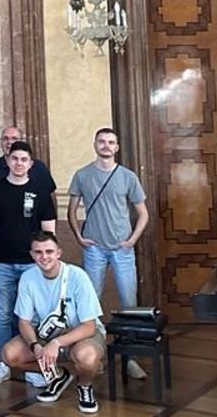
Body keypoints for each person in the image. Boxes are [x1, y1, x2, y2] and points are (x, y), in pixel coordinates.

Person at [67, 127, 149, 380]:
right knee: (90, 304)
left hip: (122, 250)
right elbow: (71, 210)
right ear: (95, 144)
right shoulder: (82, 175)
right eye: (101, 141)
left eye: (110, 142)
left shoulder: (127, 176)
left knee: (129, 304)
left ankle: (130, 359)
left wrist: (132, 240)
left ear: (117, 148)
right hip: (95, 250)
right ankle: (95, 353)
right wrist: (79, 237)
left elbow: (143, 213)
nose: (106, 146)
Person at [0, 140, 57, 386]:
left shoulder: (40, 191)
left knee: (33, 318)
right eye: (15, 159)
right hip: (1, 263)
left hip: (32, 266)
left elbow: (48, 231)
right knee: (2, 316)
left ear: (31, 164)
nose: (19, 163)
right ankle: (2, 364)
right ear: (8, 161)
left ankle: (36, 366)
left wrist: (47, 263)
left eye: (24, 159)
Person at [2, 232, 106, 414]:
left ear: (59, 252)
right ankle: (59, 375)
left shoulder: (78, 276)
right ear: (32, 255)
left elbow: (89, 326)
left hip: (80, 332)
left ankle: (85, 386)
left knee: (87, 358)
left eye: (49, 251)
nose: (44, 257)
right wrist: (35, 346)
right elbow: (24, 322)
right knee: (9, 355)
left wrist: (56, 343)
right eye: (38, 252)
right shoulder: (28, 278)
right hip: (46, 332)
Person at [0, 126, 57, 214]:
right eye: (5, 138)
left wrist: (52, 224)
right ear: (0, 142)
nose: (9, 142)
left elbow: (50, 196)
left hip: (34, 225)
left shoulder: (39, 167)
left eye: (14, 138)